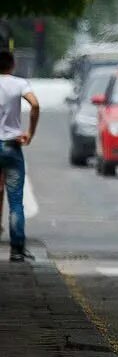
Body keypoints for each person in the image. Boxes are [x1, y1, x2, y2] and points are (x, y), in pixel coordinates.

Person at [0, 49, 42, 261]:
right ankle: (17, 249)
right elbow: (34, 104)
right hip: (11, 145)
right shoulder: (19, 83)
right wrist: (30, 133)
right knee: (16, 200)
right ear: (12, 65)